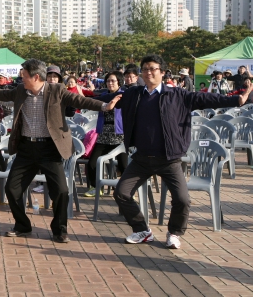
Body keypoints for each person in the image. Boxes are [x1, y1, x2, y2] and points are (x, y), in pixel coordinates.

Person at [98, 54, 252, 249]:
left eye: (153, 69)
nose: (148, 72)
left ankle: (174, 232)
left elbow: (208, 98)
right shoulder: (133, 95)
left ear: (162, 72)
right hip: (141, 159)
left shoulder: (178, 95)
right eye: (145, 69)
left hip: (169, 159)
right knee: (121, 193)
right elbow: (102, 99)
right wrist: (73, 98)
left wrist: (238, 100)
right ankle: (142, 230)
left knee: (182, 199)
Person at [0, 59, 120, 243]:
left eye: (24, 75)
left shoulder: (56, 90)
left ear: (36, 76)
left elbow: (79, 100)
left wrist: (104, 107)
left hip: (50, 149)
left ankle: (60, 229)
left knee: (61, 191)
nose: (22, 78)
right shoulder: (21, 90)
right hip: (26, 148)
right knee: (12, 189)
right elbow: (1, 95)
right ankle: (22, 225)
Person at [84, 71, 128, 196]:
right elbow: (91, 100)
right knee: (92, 163)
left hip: (119, 135)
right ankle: (95, 187)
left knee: (124, 165)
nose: (110, 83)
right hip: (104, 134)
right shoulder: (103, 96)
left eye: (113, 81)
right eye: (108, 81)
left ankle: (128, 190)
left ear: (119, 82)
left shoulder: (124, 96)